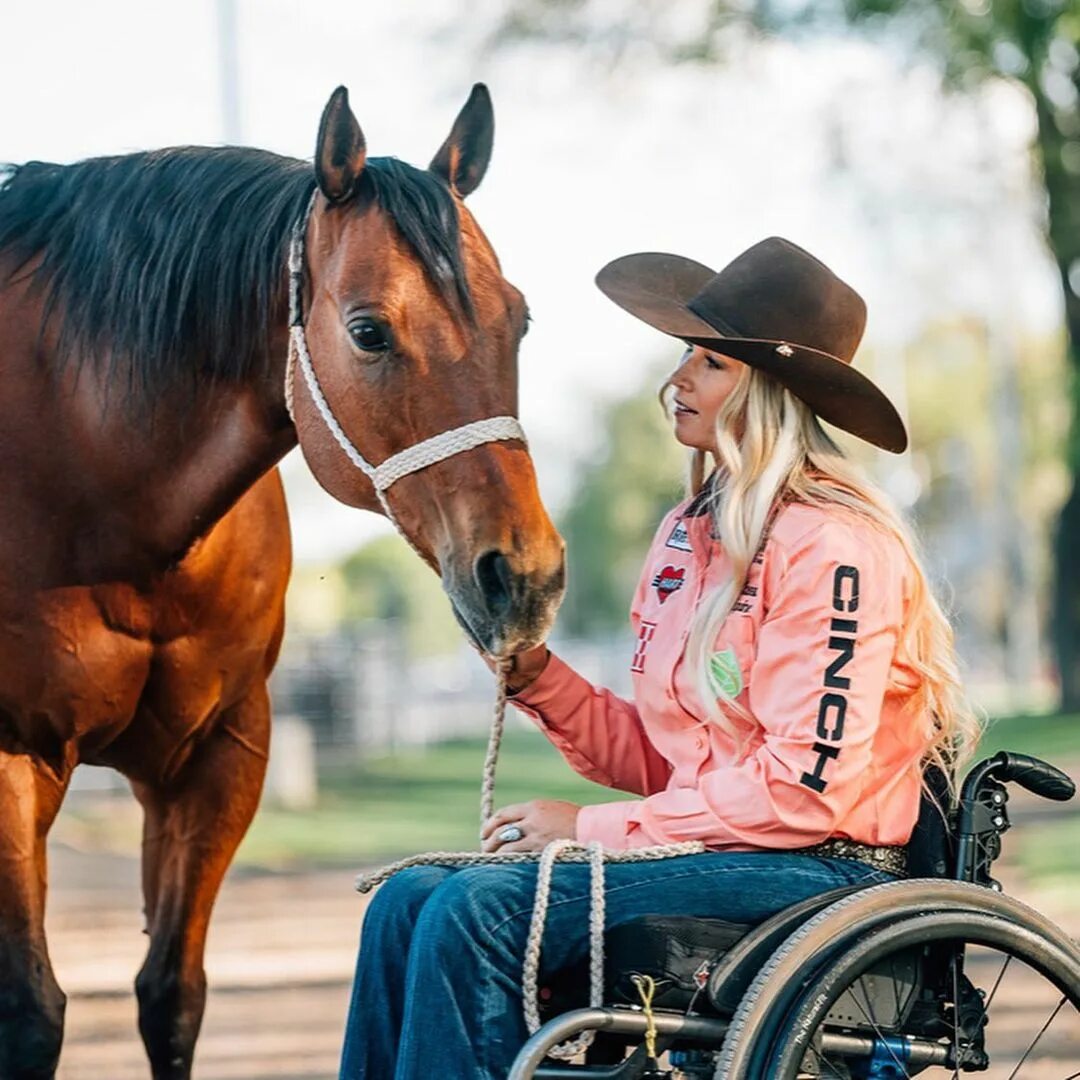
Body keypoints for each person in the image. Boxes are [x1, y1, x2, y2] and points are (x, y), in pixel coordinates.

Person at [339, 236, 978, 1080]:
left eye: (709, 363)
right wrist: (543, 683)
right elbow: (670, 764)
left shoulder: (834, 546)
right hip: (729, 854)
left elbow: (799, 792)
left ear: (767, 391)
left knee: (477, 913)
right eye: (685, 354)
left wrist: (586, 830)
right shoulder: (689, 537)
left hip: (817, 872)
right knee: (404, 904)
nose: (676, 380)